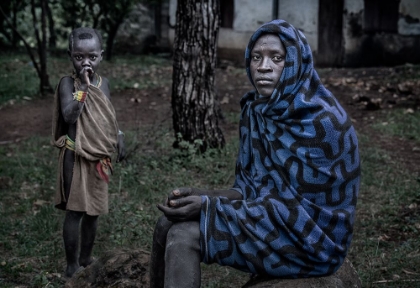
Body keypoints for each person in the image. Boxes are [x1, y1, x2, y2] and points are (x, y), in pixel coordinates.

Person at [150, 19, 360, 287]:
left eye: (277, 58)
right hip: (273, 219)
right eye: (257, 57)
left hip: (313, 241)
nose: (263, 67)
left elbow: (295, 211)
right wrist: (203, 196)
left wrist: (209, 206)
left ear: (297, 62)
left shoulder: (324, 123)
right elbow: (251, 188)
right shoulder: (256, 111)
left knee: (183, 237)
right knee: (165, 225)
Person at [51, 27, 125, 278]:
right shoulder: (66, 84)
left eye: (92, 57)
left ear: (101, 56)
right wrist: (83, 87)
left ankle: (86, 257)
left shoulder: (104, 85)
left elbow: (108, 115)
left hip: (100, 159)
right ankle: (71, 264)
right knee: (76, 211)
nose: (86, 62)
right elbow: (70, 114)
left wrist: (120, 136)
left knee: (94, 210)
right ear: (70, 55)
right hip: (75, 155)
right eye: (79, 57)